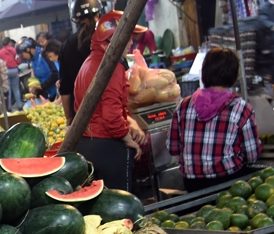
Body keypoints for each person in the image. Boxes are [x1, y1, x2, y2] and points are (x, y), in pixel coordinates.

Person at [168, 47, 260, 193]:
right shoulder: (241, 108)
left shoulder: (183, 106)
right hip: (229, 182)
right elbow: (252, 154)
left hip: (192, 184)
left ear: (204, 72)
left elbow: (173, 149)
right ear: (233, 75)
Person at [74, 11, 147, 192]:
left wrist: (129, 121)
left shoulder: (88, 63)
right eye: (127, 38)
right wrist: (128, 139)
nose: (130, 43)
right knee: (123, 205)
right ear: (111, 41)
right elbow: (111, 116)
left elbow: (107, 105)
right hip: (107, 146)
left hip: (87, 144)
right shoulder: (111, 68)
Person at [60, 0, 102, 125]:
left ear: (75, 19)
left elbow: (65, 88)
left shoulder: (67, 46)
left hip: (80, 114)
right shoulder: (107, 39)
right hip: (109, 108)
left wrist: (69, 119)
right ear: (98, 14)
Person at [0, 37, 22, 111]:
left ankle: (8, 107)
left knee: (8, 90)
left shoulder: (0, 52)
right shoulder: (14, 50)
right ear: (10, 43)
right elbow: (19, 60)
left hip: (5, 72)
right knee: (16, 89)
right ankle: (19, 105)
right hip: (14, 70)